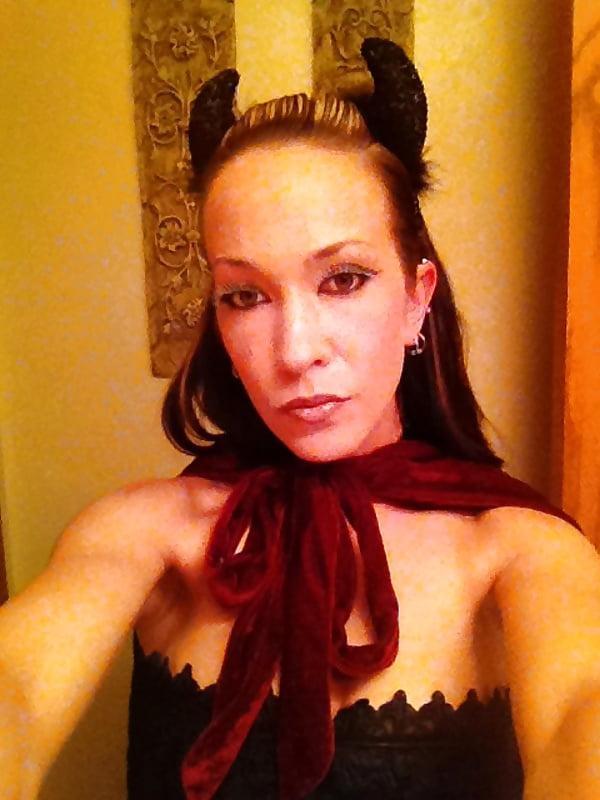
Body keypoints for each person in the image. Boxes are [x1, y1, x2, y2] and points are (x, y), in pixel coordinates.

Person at [0, 39, 598, 800]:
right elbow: (19, 684)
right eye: (245, 295)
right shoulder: (145, 535)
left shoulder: (522, 555)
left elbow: (582, 711)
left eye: (343, 280)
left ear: (416, 298)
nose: (295, 350)